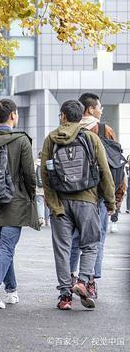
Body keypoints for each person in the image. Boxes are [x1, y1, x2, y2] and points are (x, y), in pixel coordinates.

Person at [40, 99, 115, 310]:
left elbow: (45, 176)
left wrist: (53, 205)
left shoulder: (51, 139)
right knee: (90, 245)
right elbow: (104, 172)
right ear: (81, 116)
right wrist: (110, 202)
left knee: (62, 249)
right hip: (87, 201)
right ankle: (82, 281)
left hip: (60, 202)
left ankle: (65, 296)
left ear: (63, 115)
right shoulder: (91, 138)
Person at [0, 99, 38, 309]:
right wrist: (32, 195)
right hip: (15, 200)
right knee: (6, 248)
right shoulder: (21, 140)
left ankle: (11, 291)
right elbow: (29, 173)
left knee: (4, 248)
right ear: (13, 115)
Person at [68, 92, 126, 298]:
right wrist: (116, 198)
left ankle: (70, 279)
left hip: (72, 194)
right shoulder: (103, 130)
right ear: (91, 109)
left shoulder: (68, 130)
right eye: (99, 107)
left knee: (74, 239)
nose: (101, 110)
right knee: (96, 240)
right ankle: (90, 281)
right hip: (99, 195)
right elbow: (115, 165)